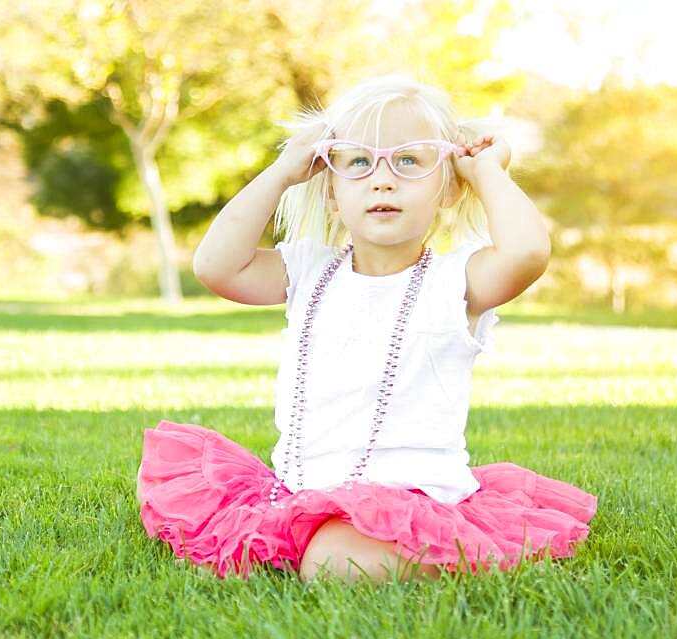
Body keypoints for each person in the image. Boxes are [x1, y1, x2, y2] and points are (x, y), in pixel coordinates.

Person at [136, 72, 598, 584]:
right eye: (358, 162)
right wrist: (282, 172)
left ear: (447, 188)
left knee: (334, 562)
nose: (383, 179)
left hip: (409, 498)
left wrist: (487, 171)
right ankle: (319, 537)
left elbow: (526, 252)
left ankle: (446, 553)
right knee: (179, 484)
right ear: (331, 191)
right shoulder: (309, 270)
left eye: (409, 161)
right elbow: (215, 266)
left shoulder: (456, 284)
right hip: (297, 488)